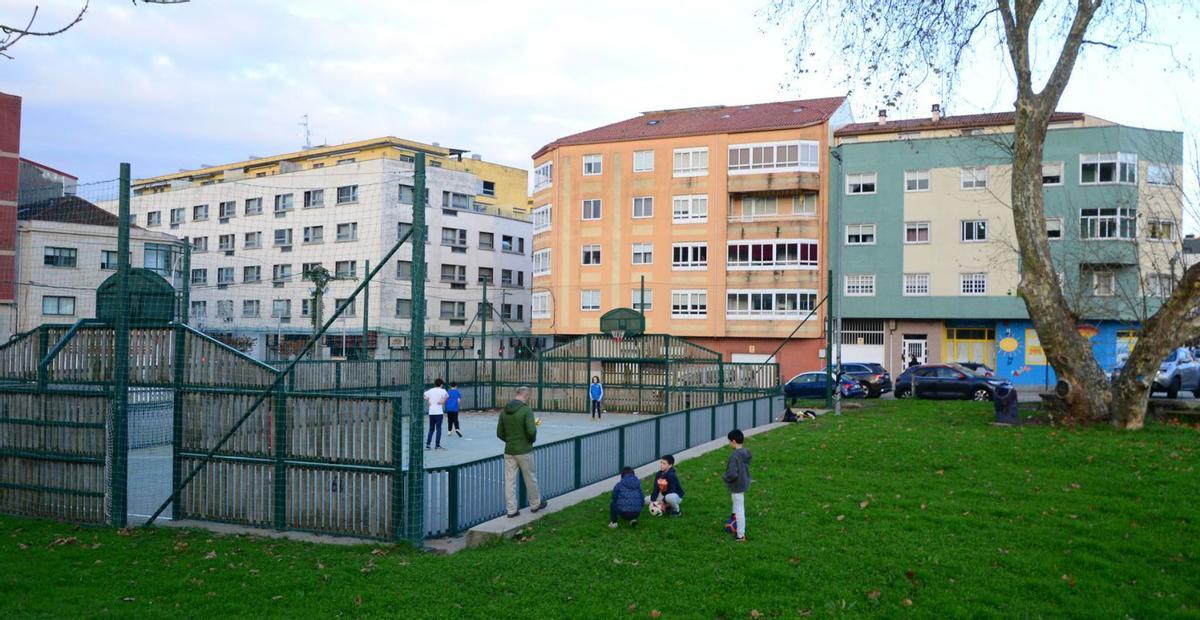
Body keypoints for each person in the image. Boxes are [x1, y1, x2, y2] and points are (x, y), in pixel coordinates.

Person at [496, 386, 546, 518]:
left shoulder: (504, 411)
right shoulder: (526, 410)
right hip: (524, 450)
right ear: (526, 395)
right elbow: (531, 431)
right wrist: (530, 440)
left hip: (509, 449)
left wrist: (510, 440)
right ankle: (535, 503)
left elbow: (499, 433)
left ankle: (511, 509)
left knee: (509, 481)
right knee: (530, 478)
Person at [722, 429, 752, 542]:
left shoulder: (734, 456)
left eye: (729, 441)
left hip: (737, 485)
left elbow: (732, 474)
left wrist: (725, 477)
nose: (729, 443)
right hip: (744, 482)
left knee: (740, 509)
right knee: (737, 504)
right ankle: (734, 519)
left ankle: (740, 535)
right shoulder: (746, 452)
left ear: (734, 441)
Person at [423, 378, 448, 451]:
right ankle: (437, 445)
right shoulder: (443, 391)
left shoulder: (431, 390)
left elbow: (424, 395)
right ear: (441, 384)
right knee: (438, 429)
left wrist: (428, 400)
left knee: (431, 429)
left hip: (431, 412)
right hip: (439, 413)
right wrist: (443, 401)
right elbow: (447, 396)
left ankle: (428, 445)